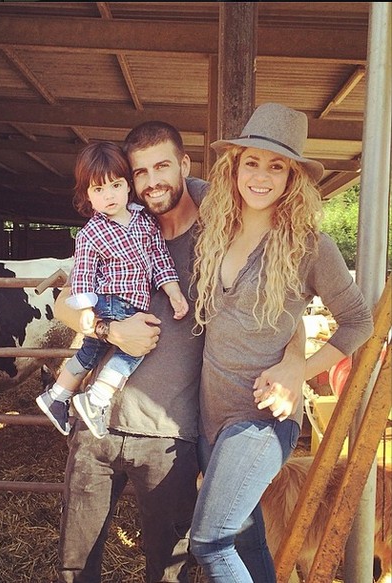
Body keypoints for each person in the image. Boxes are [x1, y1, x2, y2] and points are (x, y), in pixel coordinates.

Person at [52, 120, 306, 583]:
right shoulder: (118, 225)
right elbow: (63, 304)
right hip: (97, 424)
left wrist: (294, 365)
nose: (153, 181)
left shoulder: (225, 228)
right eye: (141, 172)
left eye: (163, 166)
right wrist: (110, 331)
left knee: (168, 569)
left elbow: (282, 306)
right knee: (75, 563)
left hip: (171, 437)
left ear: (186, 166)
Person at [188, 102, 374, 582]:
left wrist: (299, 369)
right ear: (234, 165)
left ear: (294, 178)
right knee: (249, 541)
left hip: (263, 419)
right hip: (212, 415)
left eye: (278, 167)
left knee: (210, 542)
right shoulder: (215, 224)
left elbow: (358, 322)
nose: (261, 176)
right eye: (252, 161)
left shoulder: (311, 246)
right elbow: (159, 184)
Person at [36, 141, 189, 440]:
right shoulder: (91, 233)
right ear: (87, 195)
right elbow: (83, 271)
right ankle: (95, 400)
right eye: (98, 190)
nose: (108, 196)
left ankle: (56, 395)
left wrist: (173, 291)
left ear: (127, 186)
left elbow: (159, 258)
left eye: (115, 186)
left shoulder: (145, 222)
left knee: (90, 351)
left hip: (130, 303)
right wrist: (84, 311)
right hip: (112, 302)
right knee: (136, 349)